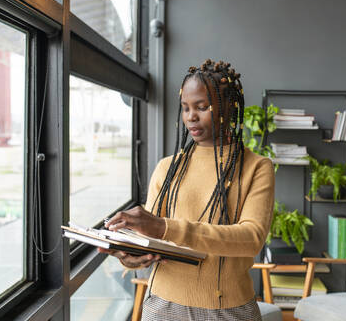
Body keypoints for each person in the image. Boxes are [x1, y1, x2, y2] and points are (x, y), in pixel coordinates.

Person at [99, 59, 275, 320]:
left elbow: (251, 239)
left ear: (229, 106)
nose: (191, 116)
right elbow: (154, 240)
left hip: (228, 310)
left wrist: (164, 227)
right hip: (162, 305)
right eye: (185, 108)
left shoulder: (256, 167)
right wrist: (129, 254)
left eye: (202, 107)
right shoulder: (167, 167)